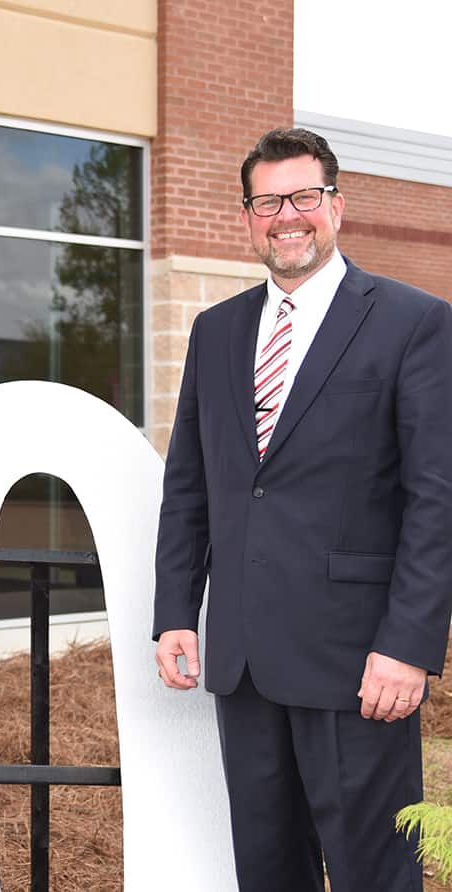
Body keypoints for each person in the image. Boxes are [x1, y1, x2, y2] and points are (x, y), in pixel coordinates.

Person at [153, 127, 452, 892]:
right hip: (245, 662)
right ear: (249, 216)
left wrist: (409, 646)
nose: (286, 216)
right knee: (267, 872)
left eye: (303, 197)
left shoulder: (414, 323)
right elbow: (190, 483)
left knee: (373, 875)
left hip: (360, 667)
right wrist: (176, 611)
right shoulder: (215, 332)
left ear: (335, 205)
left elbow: (435, 498)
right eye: (266, 202)